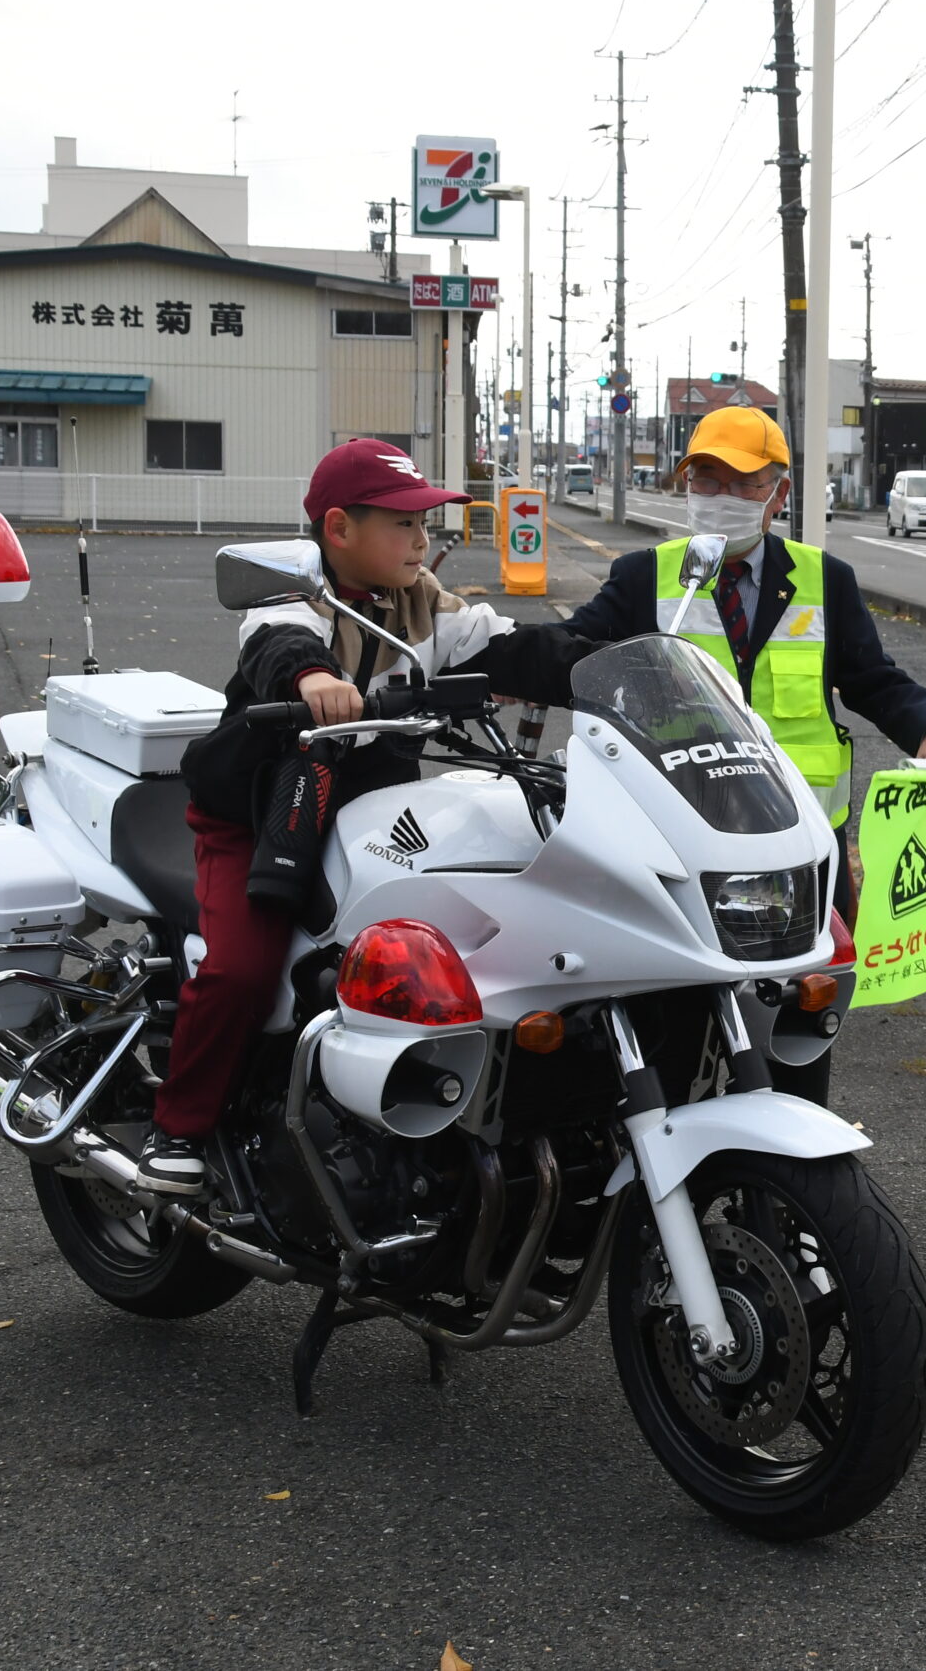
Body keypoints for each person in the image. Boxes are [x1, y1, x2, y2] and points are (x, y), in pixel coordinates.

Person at [138, 440, 594, 1196]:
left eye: (426, 525)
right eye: (404, 524)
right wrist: (311, 675)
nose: (423, 541)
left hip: (373, 819)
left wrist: (623, 669)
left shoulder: (421, 603)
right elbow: (275, 643)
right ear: (339, 529)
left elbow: (515, 648)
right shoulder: (296, 594)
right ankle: (177, 1125)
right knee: (245, 969)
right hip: (261, 818)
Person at [565, 405, 926, 922]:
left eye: (742, 484)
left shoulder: (825, 579)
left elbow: (873, 679)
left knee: (812, 988)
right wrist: (496, 659)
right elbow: (571, 647)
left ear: (778, 495)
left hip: (803, 835)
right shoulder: (645, 576)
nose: (721, 499)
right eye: (707, 482)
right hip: (681, 834)